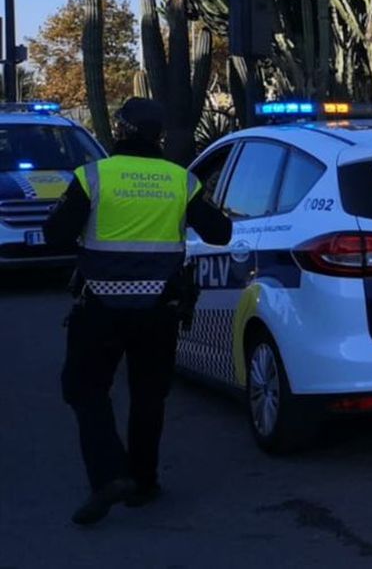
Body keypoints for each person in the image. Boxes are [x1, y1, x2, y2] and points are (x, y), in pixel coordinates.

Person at [44, 98, 232, 526]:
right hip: (159, 308)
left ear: (120, 129)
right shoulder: (180, 181)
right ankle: (144, 483)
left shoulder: (94, 176)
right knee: (149, 395)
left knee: (84, 389)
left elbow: (55, 235)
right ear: (158, 135)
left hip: (100, 306)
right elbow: (220, 233)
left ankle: (109, 475)